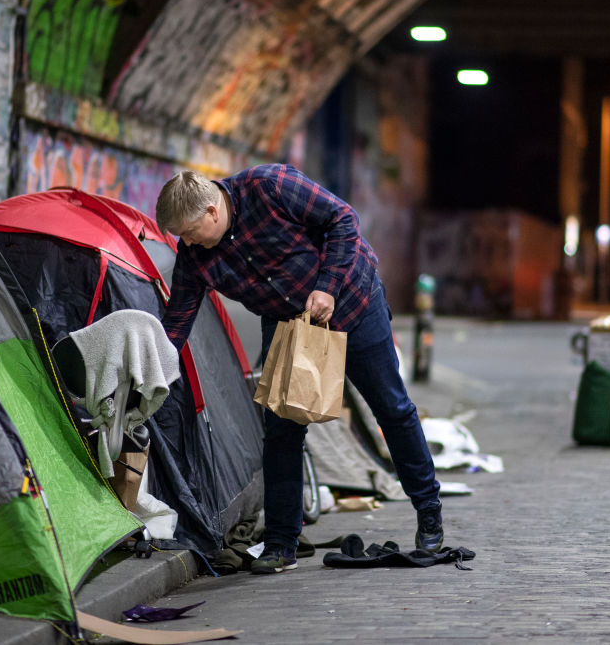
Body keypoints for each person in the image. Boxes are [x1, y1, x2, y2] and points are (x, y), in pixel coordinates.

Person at [155, 164, 444, 575]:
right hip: (288, 323)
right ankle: (280, 544)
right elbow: (180, 317)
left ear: (211, 213)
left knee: (392, 409)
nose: (187, 242)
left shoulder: (271, 186)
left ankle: (429, 514)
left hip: (351, 301)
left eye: (189, 231)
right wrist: (154, 367)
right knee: (281, 431)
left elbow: (343, 219)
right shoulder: (195, 256)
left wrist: (327, 285)